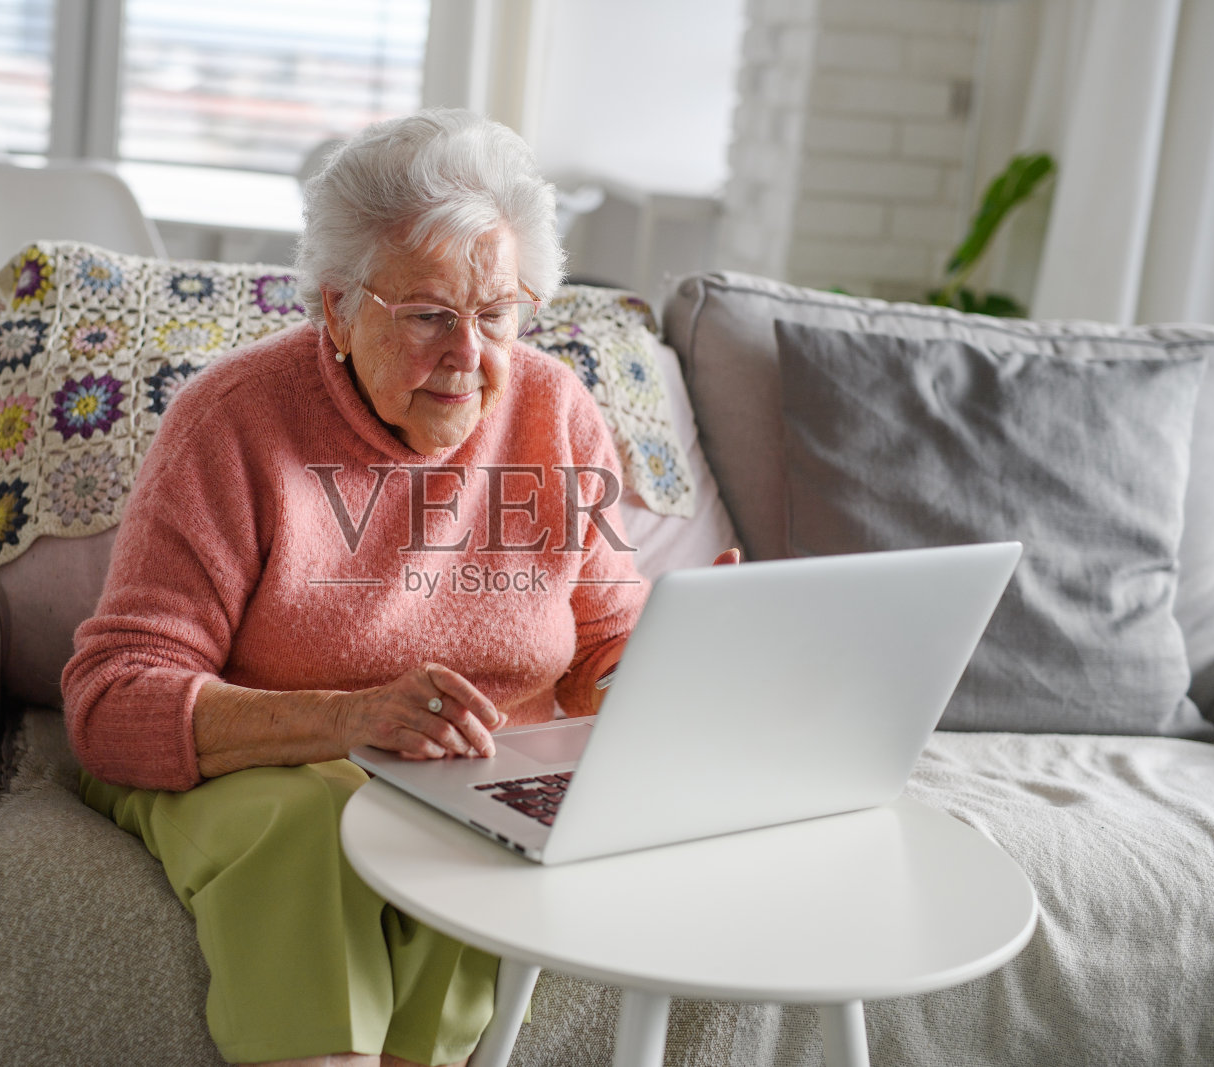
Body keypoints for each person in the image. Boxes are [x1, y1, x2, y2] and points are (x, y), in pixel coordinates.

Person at [64, 109, 723, 1067]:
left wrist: (676, 668)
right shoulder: (235, 422)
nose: (468, 355)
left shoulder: (554, 412)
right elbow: (112, 701)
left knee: (476, 830)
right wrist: (347, 719)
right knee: (311, 822)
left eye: (496, 315)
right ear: (337, 309)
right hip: (258, 763)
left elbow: (599, 649)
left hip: (463, 781)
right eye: (426, 316)